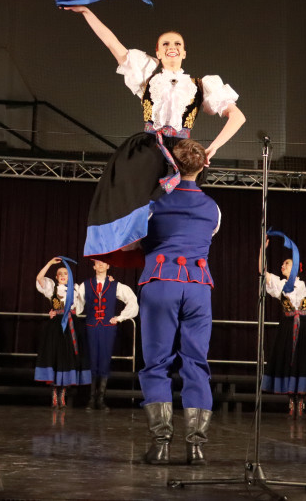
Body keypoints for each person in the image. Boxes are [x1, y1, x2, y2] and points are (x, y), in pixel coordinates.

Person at [65, 6, 245, 267]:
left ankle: (177, 248)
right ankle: (132, 237)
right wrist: (86, 13)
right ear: (158, 52)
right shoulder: (147, 77)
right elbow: (113, 44)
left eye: (177, 44)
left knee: (179, 203)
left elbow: (237, 116)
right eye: (165, 43)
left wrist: (212, 148)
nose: (172, 47)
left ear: (184, 52)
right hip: (150, 146)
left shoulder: (200, 84)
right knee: (133, 180)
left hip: (183, 151)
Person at [137, 139, 219, 465]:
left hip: (160, 282)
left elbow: (136, 239)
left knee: (157, 363)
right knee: (196, 363)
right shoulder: (213, 208)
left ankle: (161, 444)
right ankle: (195, 447)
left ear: (172, 163)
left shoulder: (153, 203)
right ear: (204, 166)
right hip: (198, 287)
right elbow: (206, 235)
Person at [259, 243, 306, 418]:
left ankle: (301, 399)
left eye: (287, 263)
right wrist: (262, 249)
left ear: (296, 266)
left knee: (303, 360)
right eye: (282, 264)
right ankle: (291, 398)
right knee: (288, 360)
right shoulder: (280, 284)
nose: (283, 266)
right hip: (288, 327)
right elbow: (262, 272)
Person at [75, 258, 138, 411]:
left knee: (104, 360)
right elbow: (77, 305)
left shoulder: (115, 285)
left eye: (103, 262)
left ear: (108, 265)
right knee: (91, 360)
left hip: (107, 328)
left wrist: (120, 317)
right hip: (91, 326)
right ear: (94, 266)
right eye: (98, 262)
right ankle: (90, 399)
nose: (101, 264)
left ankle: (101, 399)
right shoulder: (85, 285)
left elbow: (132, 301)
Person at [34, 257, 91, 409]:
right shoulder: (52, 288)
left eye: (66, 273)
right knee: (55, 358)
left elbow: (89, 292)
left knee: (68, 359)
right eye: (60, 274)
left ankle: (63, 395)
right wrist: (49, 263)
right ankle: (54, 394)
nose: (63, 276)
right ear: (57, 277)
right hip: (56, 327)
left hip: (71, 326)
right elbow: (39, 278)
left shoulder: (76, 289)